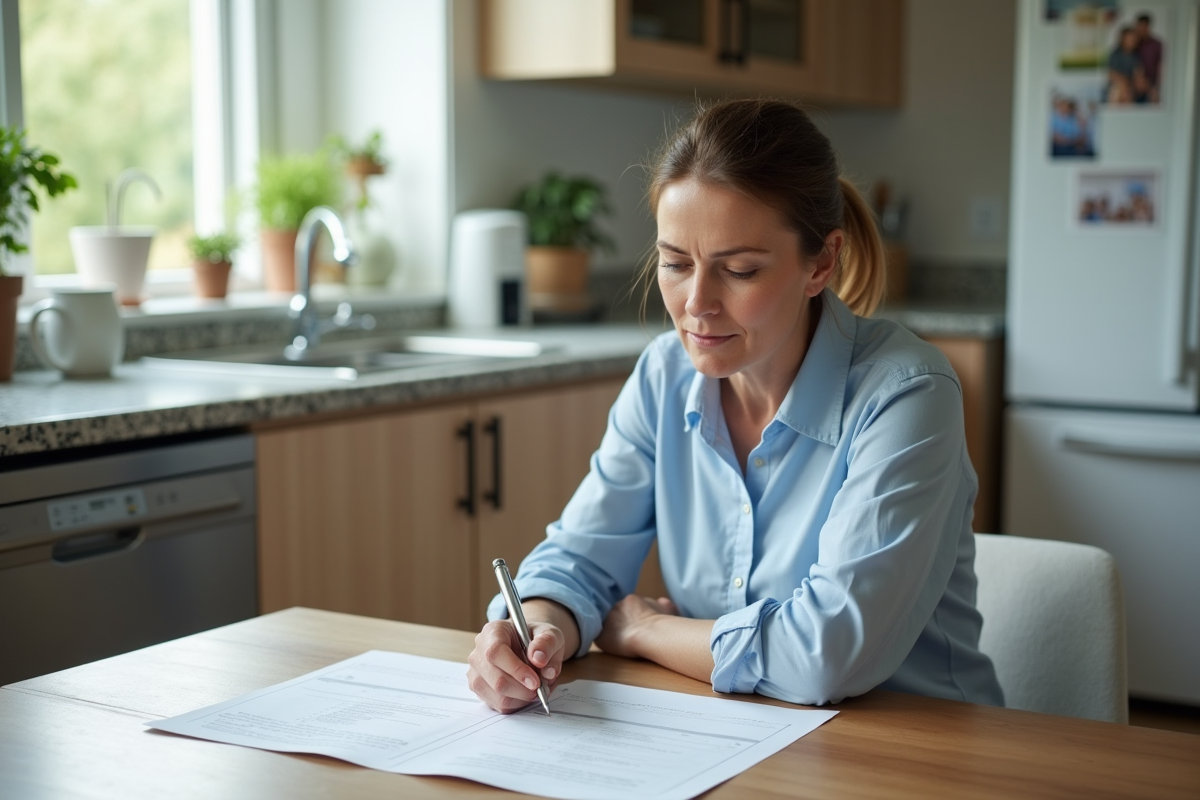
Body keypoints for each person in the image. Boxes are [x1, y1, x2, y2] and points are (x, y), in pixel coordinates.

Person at [466, 99, 1005, 712]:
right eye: (674, 263)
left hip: (920, 749)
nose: (697, 302)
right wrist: (537, 628)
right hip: (739, 738)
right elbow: (579, 558)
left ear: (821, 263)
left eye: (740, 270)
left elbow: (824, 657)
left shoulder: (908, 396)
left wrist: (644, 630)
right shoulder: (663, 377)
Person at [1134, 14, 1163, 104]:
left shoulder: (1157, 44)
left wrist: (1157, 85)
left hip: (1151, 83)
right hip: (1134, 83)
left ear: (1148, 26)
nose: (1142, 30)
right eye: (1140, 27)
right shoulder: (1133, 43)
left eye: (1144, 27)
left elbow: (1160, 66)